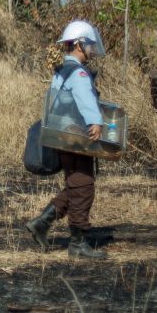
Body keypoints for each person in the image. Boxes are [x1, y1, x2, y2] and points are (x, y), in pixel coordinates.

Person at [24, 20, 108, 260]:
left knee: (75, 183)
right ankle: (77, 243)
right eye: (90, 44)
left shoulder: (62, 70)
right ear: (80, 45)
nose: (92, 49)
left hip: (62, 134)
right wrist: (95, 122)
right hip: (75, 136)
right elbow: (84, 100)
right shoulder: (79, 73)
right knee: (83, 186)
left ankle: (43, 222)